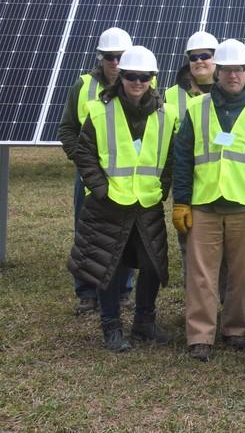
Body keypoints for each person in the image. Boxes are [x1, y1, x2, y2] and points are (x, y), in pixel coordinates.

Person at [171, 39, 245, 362]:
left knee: (240, 274)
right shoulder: (196, 109)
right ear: (217, 72)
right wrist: (181, 202)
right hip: (204, 204)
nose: (233, 75)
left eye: (239, 70)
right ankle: (200, 335)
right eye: (227, 70)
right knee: (201, 275)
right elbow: (183, 160)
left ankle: (236, 329)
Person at [68, 46, 175, 351]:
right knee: (108, 267)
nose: (137, 82)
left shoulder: (166, 115)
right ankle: (111, 326)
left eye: (144, 76)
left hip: (147, 204)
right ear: (121, 77)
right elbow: (84, 153)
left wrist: (161, 189)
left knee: (153, 265)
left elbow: (169, 159)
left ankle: (144, 322)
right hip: (109, 205)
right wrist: (100, 190)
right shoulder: (101, 111)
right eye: (131, 76)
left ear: (152, 78)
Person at [58, 26, 134, 315]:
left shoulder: (140, 82)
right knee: (88, 234)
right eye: (110, 57)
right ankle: (87, 293)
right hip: (90, 176)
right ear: (101, 58)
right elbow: (67, 129)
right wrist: (82, 161)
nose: (115, 63)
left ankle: (124, 290)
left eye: (120, 57)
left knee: (126, 234)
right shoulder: (83, 86)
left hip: (128, 177)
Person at [164, 31, 219, 283]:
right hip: (187, 181)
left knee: (222, 251)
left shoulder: (229, 91)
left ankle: (221, 304)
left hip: (219, 182)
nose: (199, 61)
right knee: (190, 245)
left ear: (216, 59)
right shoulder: (171, 95)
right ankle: (194, 301)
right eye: (193, 57)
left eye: (205, 56)